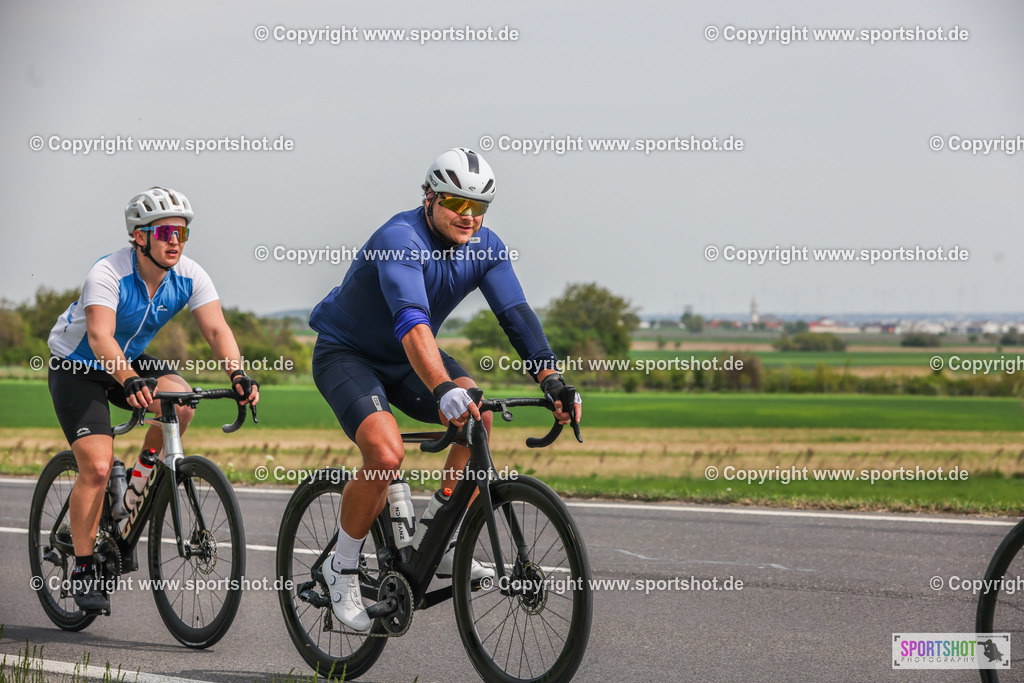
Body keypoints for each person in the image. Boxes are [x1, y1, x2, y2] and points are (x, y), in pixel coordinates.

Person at [309, 147, 582, 631]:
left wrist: (553, 380)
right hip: (348, 354)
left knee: (480, 416)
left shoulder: (486, 247)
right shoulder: (400, 238)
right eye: (457, 203)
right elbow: (411, 321)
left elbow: (516, 316)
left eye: (478, 207)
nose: (468, 216)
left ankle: (441, 535)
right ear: (430, 198)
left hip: (410, 356)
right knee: (386, 454)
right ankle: (341, 567)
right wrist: (440, 387)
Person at [47, 187, 259, 613]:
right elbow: (99, 337)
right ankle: (84, 568)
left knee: (181, 398)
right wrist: (128, 380)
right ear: (139, 237)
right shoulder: (107, 273)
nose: (175, 240)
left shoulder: (190, 275)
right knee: (97, 466)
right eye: (165, 232)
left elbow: (216, 330)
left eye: (182, 232)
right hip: (78, 364)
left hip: (126, 358)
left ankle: (136, 485)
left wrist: (237, 374)